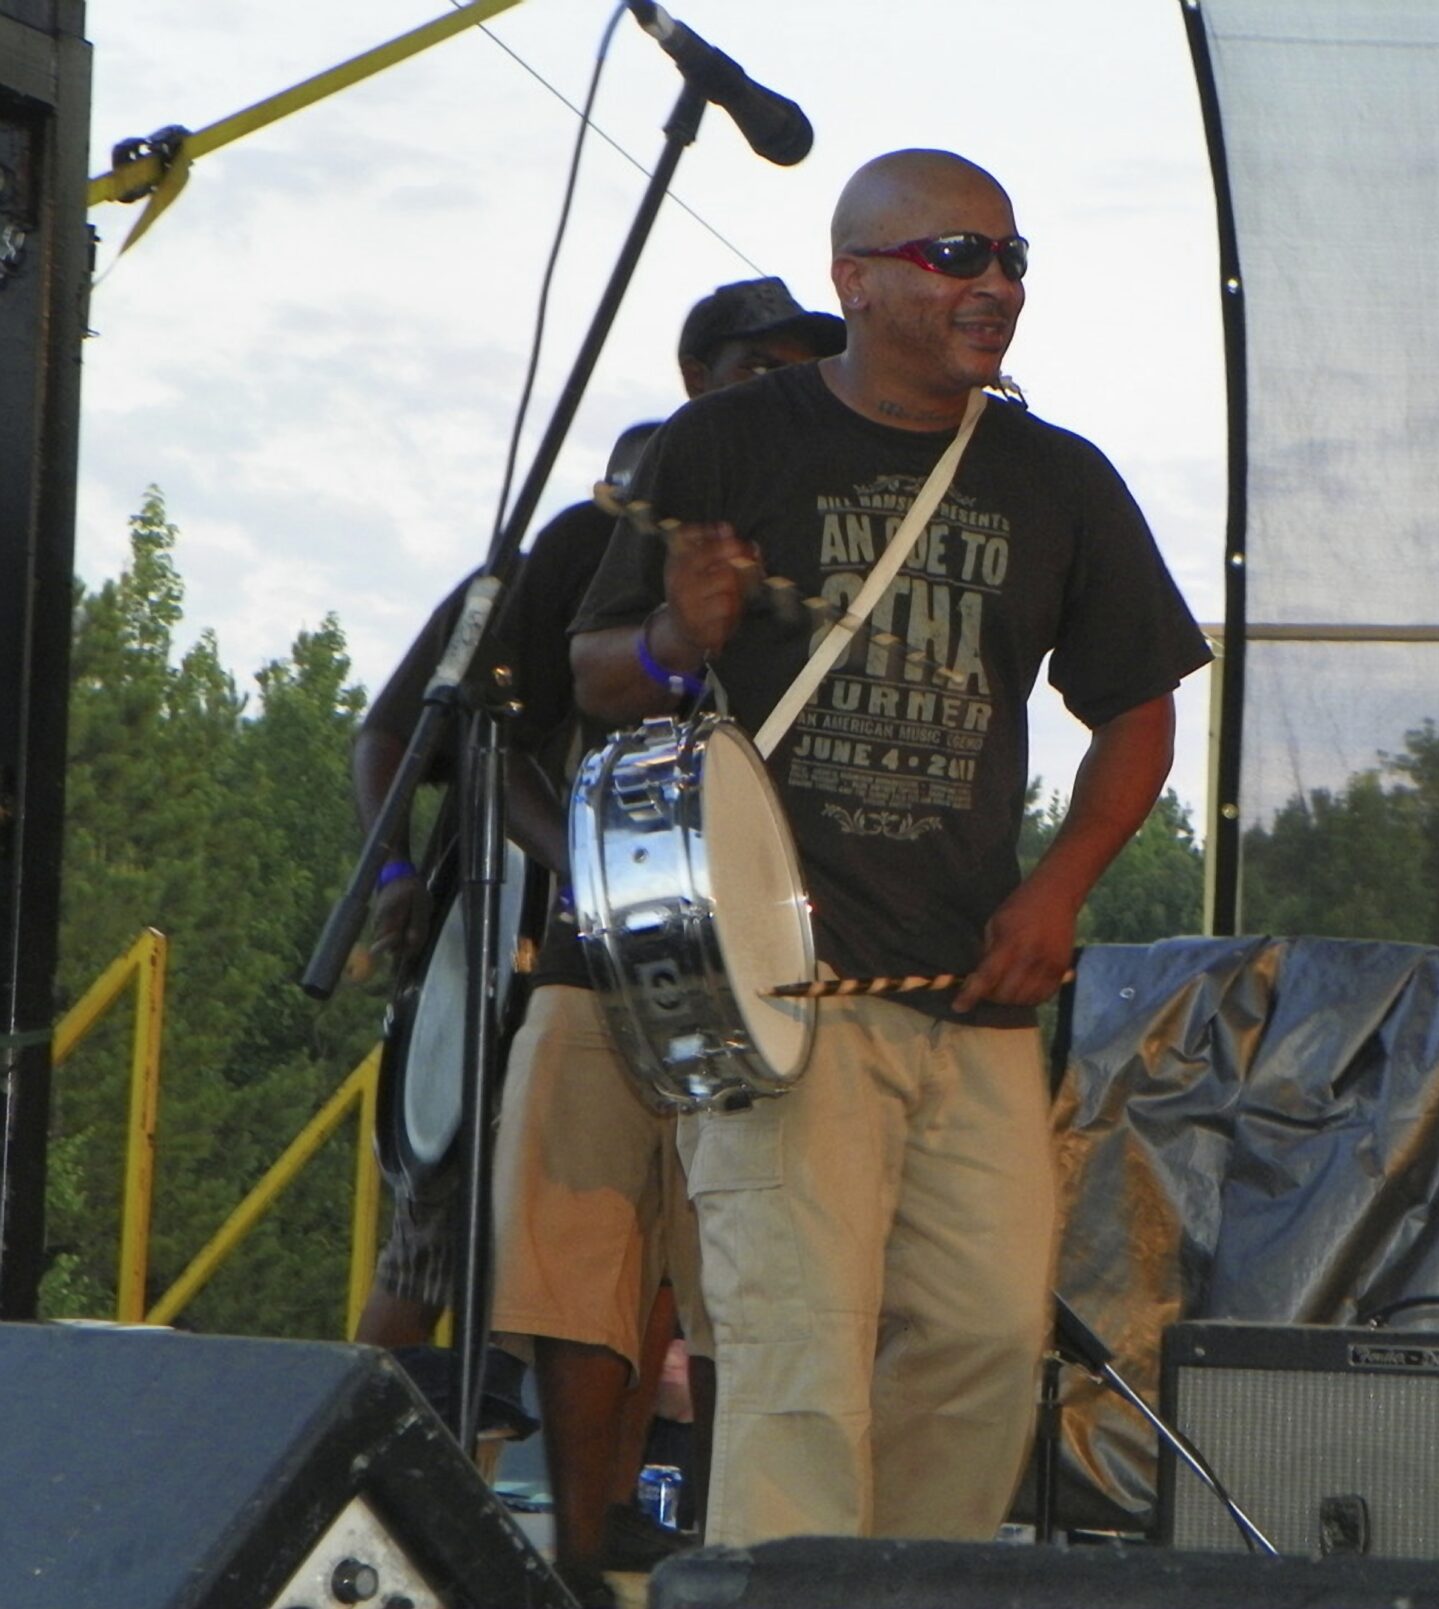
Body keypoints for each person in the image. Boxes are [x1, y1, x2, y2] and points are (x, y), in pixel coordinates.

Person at [567, 150, 1211, 1546]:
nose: (999, 284)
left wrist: (1060, 889)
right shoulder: (736, 442)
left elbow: (1141, 715)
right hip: (784, 993)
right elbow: (599, 679)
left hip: (971, 994)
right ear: (855, 278)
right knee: (799, 1366)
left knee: (984, 1345)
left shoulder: (1061, 480)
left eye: (1012, 257)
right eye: (957, 256)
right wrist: (682, 636)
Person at [477, 279, 845, 1607]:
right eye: (765, 361)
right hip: (601, 950)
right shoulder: (599, 533)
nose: (788, 380)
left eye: (811, 361)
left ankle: (738, 1538)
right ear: (699, 371)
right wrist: (573, 856)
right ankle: (583, 1542)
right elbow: (507, 733)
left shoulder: (824, 527)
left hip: (765, 959)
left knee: (745, 1257)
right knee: (577, 1243)